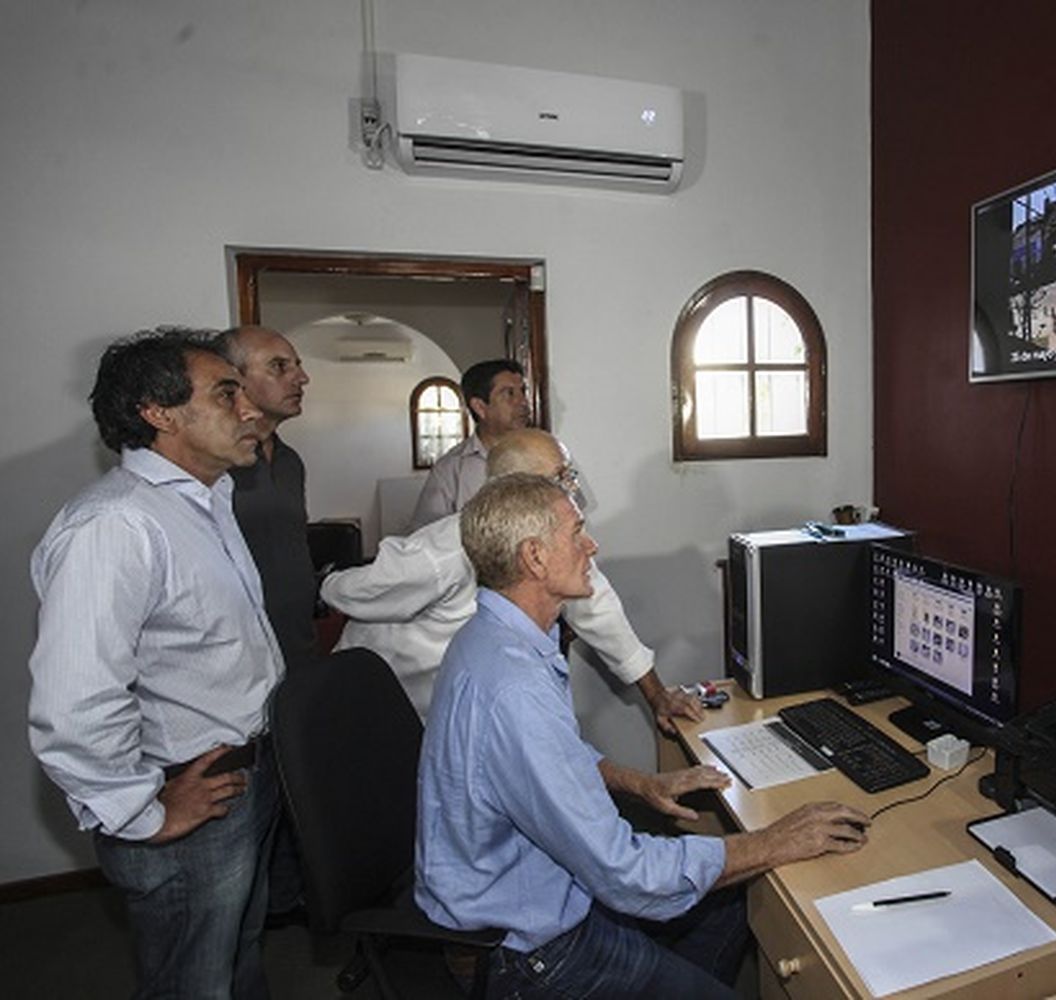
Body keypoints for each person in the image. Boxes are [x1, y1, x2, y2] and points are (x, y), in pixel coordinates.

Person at [415, 473, 869, 998]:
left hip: (524, 890)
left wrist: (638, 783)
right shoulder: (512, 686)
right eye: (576, 532)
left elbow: (549, 759)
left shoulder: (492, 639)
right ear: (535, 558)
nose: (592, 544)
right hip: (530, 952)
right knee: (740, 869)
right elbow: (624, 875)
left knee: (731, 899)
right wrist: (775, 840)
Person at [29, 328, 284, 999]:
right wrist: (142, 814)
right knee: (191, 985)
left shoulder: (207, 502)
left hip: (242, 782)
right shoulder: (114, 525)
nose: (249, 409)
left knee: (237, 961)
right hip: (185, 804)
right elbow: (73, 700)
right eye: (227, 394)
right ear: (158, 411)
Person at [323, 428, 701, 731]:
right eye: (561, 476)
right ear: (515, 489)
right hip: (380, 702)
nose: (573, 487)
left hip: (455, 708)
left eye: (570, 474)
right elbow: (357, 591)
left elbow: (599, 611)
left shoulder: (553, 540)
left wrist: (658, 696)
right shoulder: (444, 549)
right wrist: (324, 586)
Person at [213, 325, 316, 668]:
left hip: (297, 642)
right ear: (234, 380)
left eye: (297, 365)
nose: (301, 378)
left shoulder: (290, 462)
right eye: (279, 366)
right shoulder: (214, 467)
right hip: (237, 657)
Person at [408, 358, 531, 531]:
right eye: (509, 393)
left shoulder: (543, 454)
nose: (523, 402)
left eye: (523, 392)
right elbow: (426, 535)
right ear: (480, 407)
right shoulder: (451, 469)